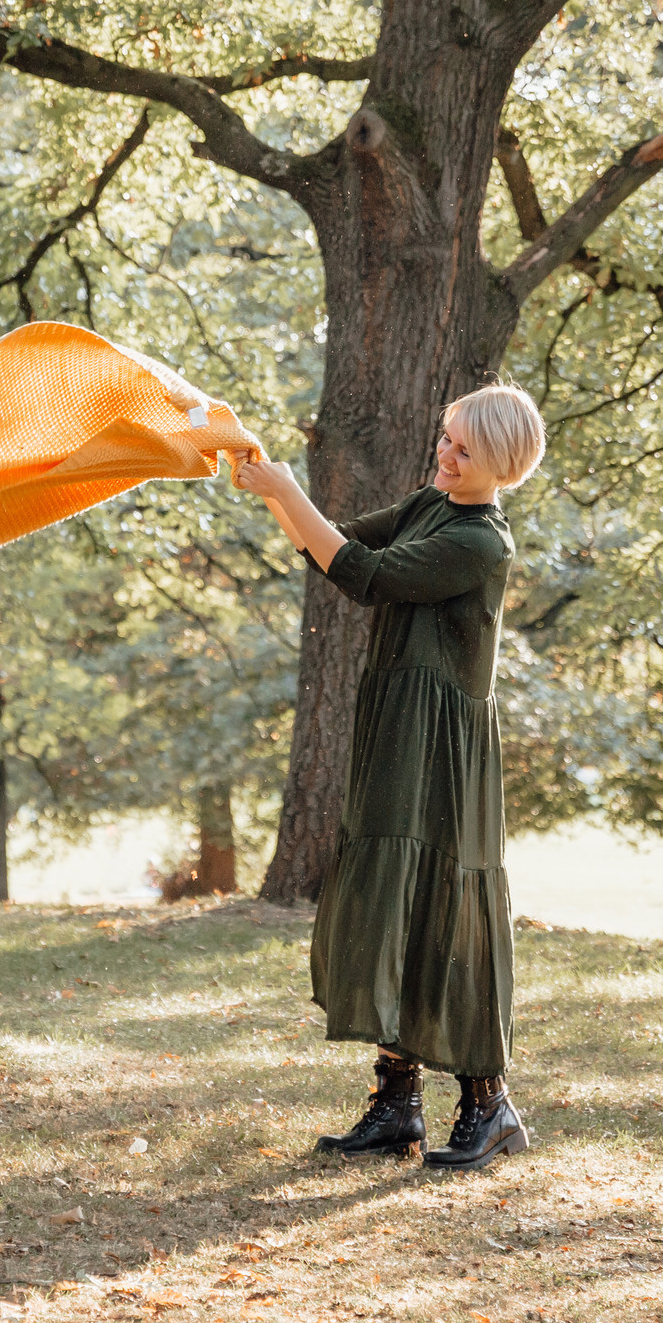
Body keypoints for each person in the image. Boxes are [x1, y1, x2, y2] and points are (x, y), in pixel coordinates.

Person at [234, 382, 548, 1170]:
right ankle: (397, 1102)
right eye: (446, 438)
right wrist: (270, 483)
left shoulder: (482, 542)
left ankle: (490, 1105)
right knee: (391, 901)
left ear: (501, 462)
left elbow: (364, 575)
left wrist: (285, 488)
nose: (445, 454)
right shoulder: (429, 505)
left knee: (448, 908)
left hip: (442, 747)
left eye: (463, 449)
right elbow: (332, 545)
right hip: (397, 728)